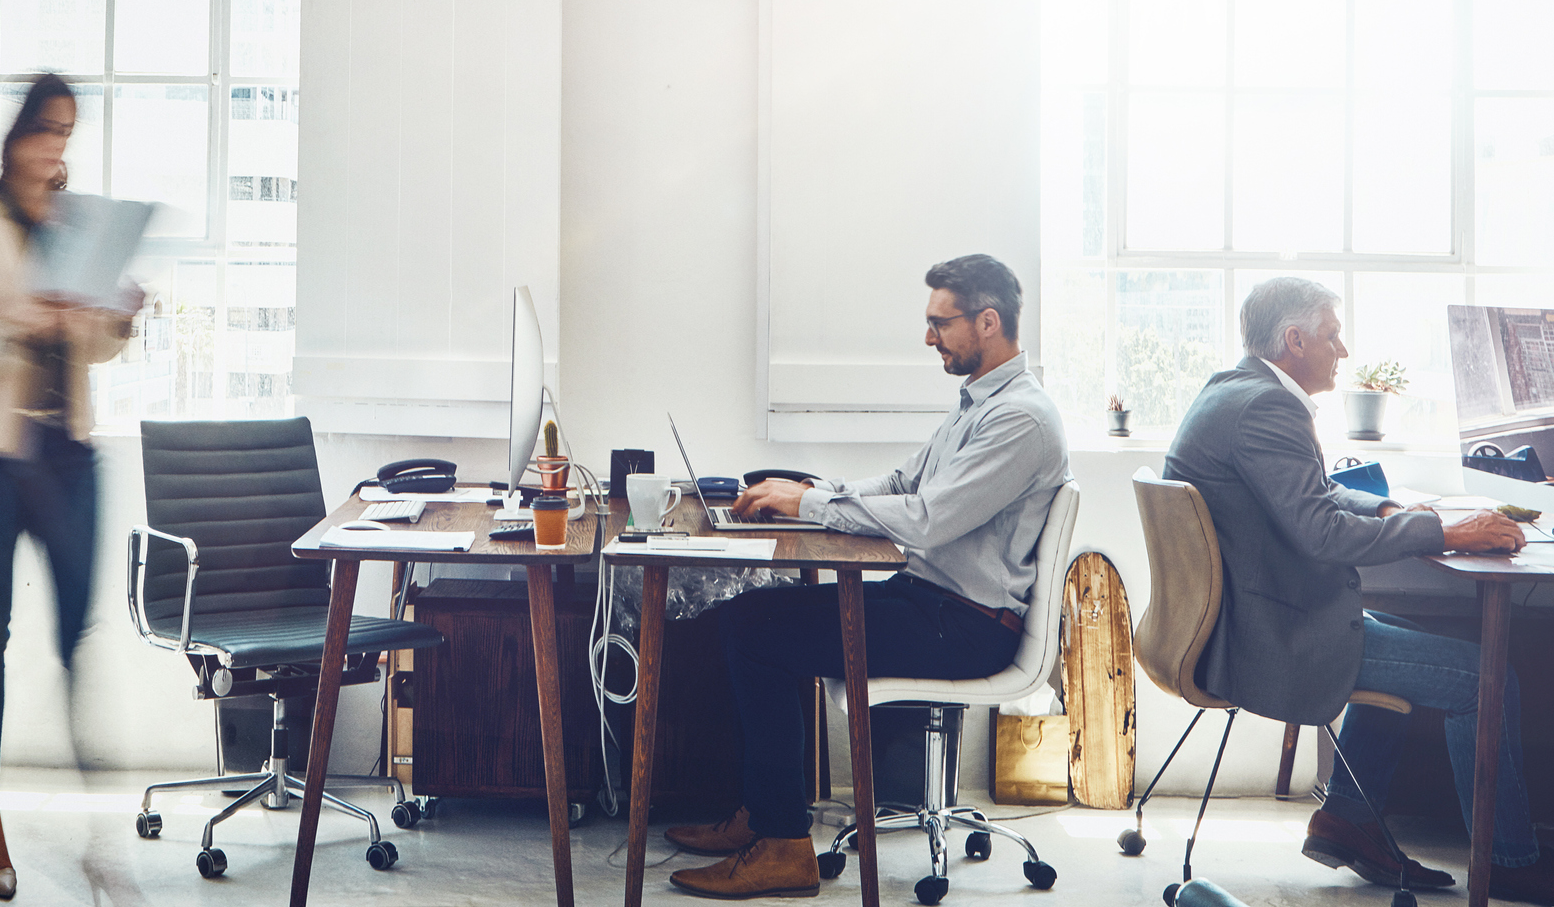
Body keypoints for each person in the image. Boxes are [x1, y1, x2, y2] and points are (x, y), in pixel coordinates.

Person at [665, 254, 1071, 900]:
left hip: (964, 625)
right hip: (933, 604)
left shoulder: (1018, 419)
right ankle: (765, 817)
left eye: (940, 323)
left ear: (987, 321)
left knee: (754, 629)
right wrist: (813, 490)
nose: (928, 337)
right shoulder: (980, 404)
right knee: (751, 617)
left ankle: (780, 846)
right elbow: (903, 484)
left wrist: (808, 507)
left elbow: (930, 518)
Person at [1162, 276, 1554, 903]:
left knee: (1411, 634)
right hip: (1278, 640)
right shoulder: (1269, 408)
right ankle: (1506, 859)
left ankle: (1348, 818)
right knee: (1487, 675)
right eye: (1332, 336)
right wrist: (1444, 531)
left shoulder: (1234, 391)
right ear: (1293, 340)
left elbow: (1309, 495)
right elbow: (1319, 532)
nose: (1341, 351)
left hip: (1249, 624)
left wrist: (1388, 509)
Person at [0, 73, 145, 900]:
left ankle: (102, 833)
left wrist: (116, 315)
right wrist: (30, 319)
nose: (57, 145)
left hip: (66, 457)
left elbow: (89, 349)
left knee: (77, 641)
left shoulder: (77, 221)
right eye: (45, 128)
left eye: (67, 131)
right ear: (15, 135)